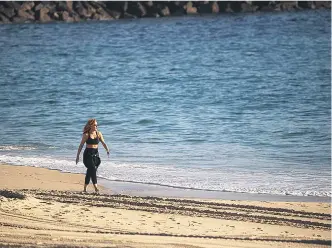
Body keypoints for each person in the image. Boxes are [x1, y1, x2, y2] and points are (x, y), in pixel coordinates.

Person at [76, 119, 110, 193]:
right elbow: (81, 145)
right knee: (93, 169)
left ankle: (84, 189)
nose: (96, 126)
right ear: (90, 125)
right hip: (88, 155)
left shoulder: (99, 133)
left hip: (96, 155)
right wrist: (77, 156)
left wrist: (107, 150)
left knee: (90, 171)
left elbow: (103, 143)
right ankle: (96, 188)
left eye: (96, 125)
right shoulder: (86, 135)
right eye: (94, 125)